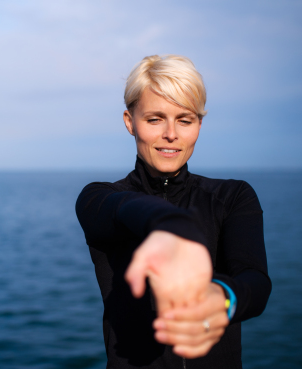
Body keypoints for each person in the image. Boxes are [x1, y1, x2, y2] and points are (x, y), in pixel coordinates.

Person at [75, 55, 271, 369]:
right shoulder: (100, 198)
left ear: (199, 125)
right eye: (155, 119)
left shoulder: (233, 196)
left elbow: (256, 282)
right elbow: (126, 209)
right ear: (130, 121)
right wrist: (172, 227)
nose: (171, 134)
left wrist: (222, 297)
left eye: (185, 119)